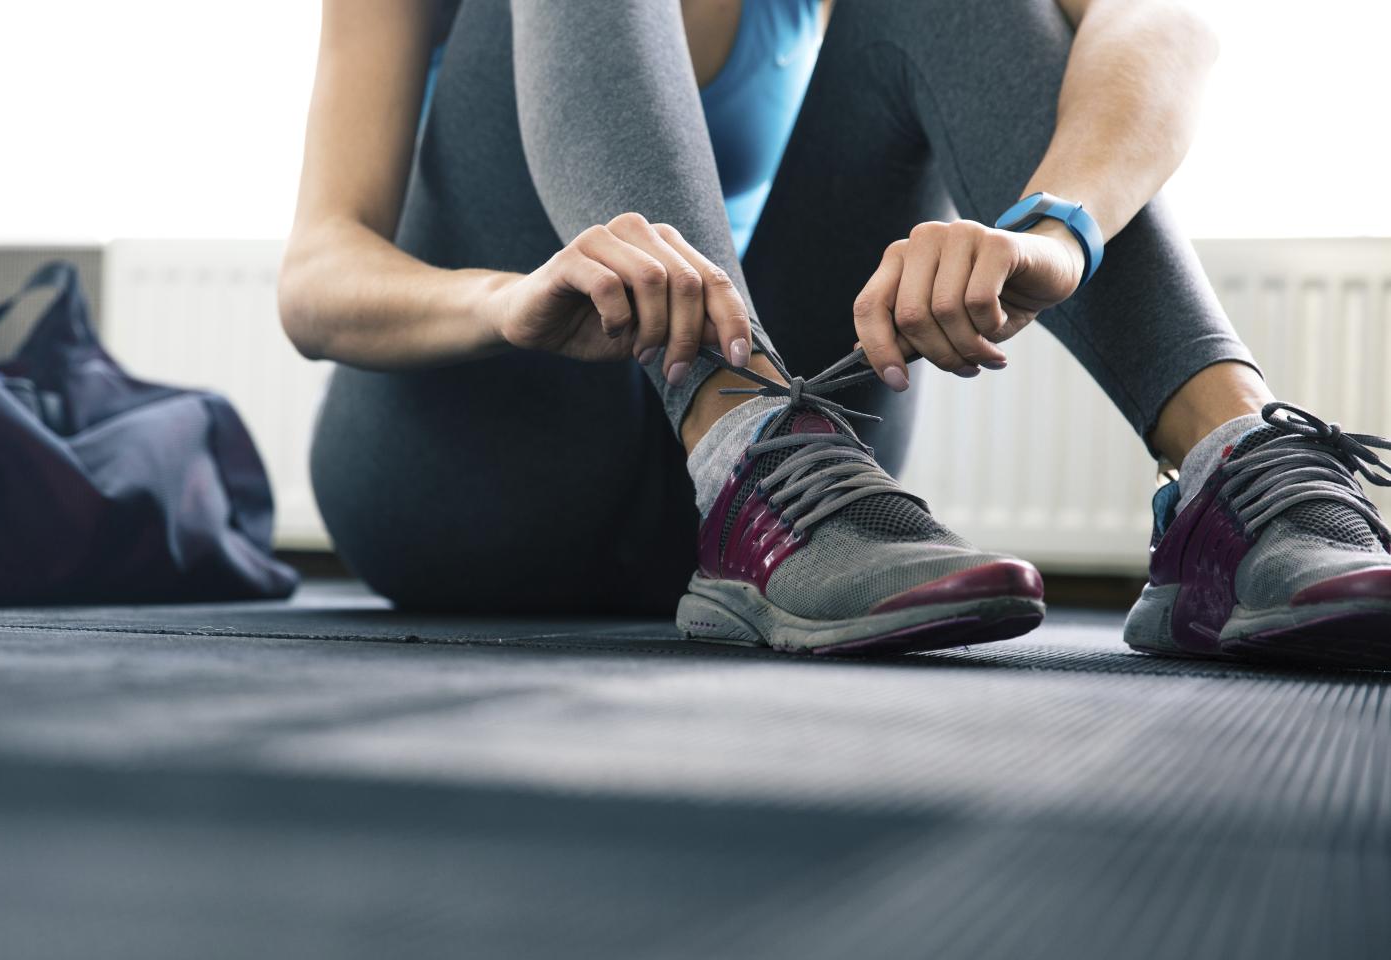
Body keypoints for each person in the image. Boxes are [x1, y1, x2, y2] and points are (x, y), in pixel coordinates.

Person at [278, 0, 1391, 666]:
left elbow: (1166, 23)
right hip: (468, 468)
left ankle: (1230, 467)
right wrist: (503, 302)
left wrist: (1055, 233)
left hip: (798, 516)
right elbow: (317, 274)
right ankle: (744, 448)